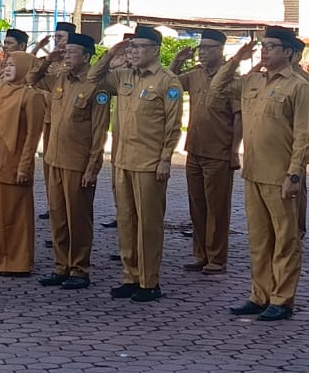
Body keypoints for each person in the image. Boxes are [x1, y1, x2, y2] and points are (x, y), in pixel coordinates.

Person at [222, 28, 309, 322]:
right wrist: (237, 59)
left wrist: (295, 174)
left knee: (285, 240)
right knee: (259, 240)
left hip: (280, 176)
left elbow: (304, 135)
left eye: (272, 46)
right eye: (263, 46)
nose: (265, 51)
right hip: (253, 172)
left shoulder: (299, 87)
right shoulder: (253, 80)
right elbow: (217, 87)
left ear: (287, 52)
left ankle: (282, 300)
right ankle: (259, 295)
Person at [90, 25, 183, 302]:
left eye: (139, 46)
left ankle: (149, 281)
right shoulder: (123, 76)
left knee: (148, 225)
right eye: (131, 46)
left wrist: (165, 158)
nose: (133, 51)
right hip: (122, 161)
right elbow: (93, 77)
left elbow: (173, 125)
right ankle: (130, 276)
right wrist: (112, 54)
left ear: (155, 50)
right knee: (126, 221)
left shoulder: (167, 81)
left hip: (149, 163)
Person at [33, 32, 110, 289]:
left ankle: (79, 269)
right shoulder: (60, 79)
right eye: (65, 52)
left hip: (78, 163)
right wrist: (48, 60)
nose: (66, 56)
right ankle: (61, 266)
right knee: (58, 217)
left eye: (72, 52)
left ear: (87, 57)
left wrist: (93, 166)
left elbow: (100, 131)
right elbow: (32, 79)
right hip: (54, 159)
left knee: (78, 218)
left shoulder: (96, 87)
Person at [169, 30, 242, 275]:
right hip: (194, 149)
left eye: (209, 48)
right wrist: (177, 61)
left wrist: (234, 151)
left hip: (219, 152)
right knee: (197, 205)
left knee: (217, 207)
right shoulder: (195, 75)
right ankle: (200, 254)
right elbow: (168, 85)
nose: (203, 52)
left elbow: (239, 117)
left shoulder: (230, 79)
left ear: (221, 50)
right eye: (201, 48)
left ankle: (217, 257)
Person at [0, 51, 47, 275]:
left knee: (15, 215)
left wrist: (24, 167)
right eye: (6, 65)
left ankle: (17, 262)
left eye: (12, 65)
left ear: (25, 68)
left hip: (14, 164)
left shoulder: (32, 96)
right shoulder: (2, 90)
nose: (7, 68)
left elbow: (33, 136)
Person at [31, 21, 76, 221]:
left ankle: (67, 206)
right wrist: (40, 49)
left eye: (62, 37)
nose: (58, 41)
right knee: (49, 166)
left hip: (67, 121)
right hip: (48, 118)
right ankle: (53, 205)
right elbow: (30, 71)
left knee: (66, 166)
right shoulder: (48, 62)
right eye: (56, 37)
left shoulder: (74, 63)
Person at [288, 37, 309, 237]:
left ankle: (298, 227)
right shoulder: (270, 78)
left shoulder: (308, 81)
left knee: (297, 185)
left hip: (297, 142)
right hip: (276, 143)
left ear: (298, 55)